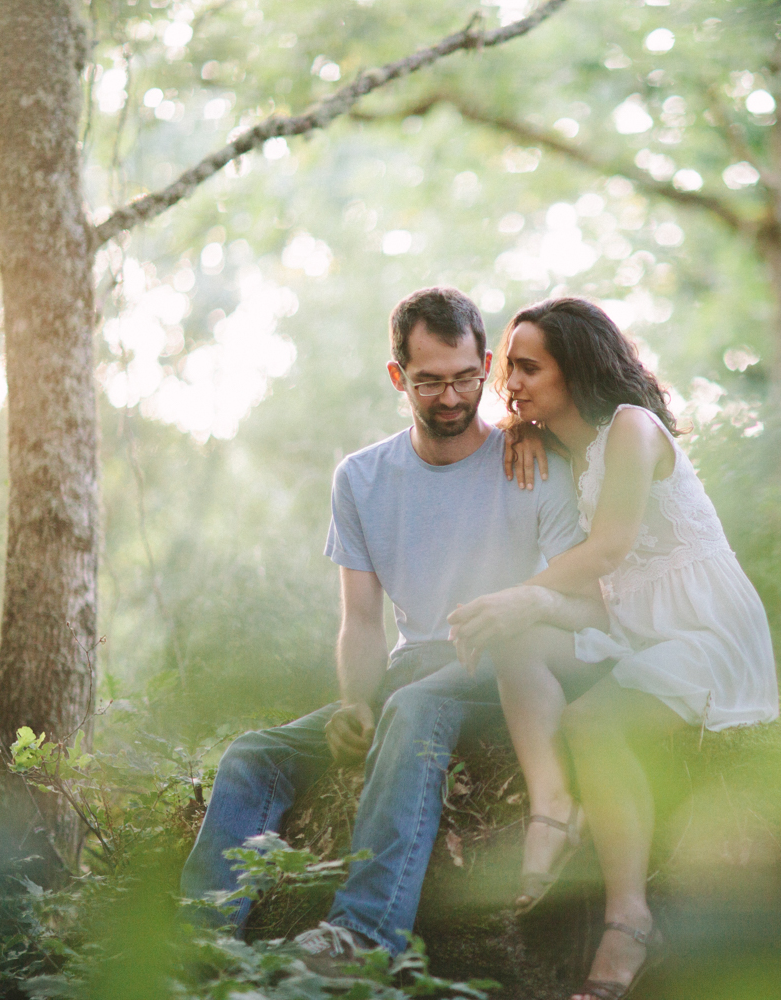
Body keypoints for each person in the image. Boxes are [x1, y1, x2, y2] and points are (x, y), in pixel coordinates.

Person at [179, 287, 608, 973]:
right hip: (419, 663)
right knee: (254, 753)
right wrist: (354, 700)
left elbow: (585, 601)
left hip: (515, 663)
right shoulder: (362, 479)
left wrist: (518, 607)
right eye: (430, 381)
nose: (450, 397)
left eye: (467, 378)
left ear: (488, 365)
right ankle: (194, 943)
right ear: (396, 377)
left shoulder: (531, 463)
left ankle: (364, 933)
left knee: (413, 705)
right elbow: (360, 621)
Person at [447, 298, 779, 1000]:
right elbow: (607, 587)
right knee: (521, 639)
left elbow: (610, 550)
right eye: (510, 367)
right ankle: (552, 808)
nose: (512, 381)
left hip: (705, 632)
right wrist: (517, 433)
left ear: (579, 367)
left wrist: (523, 593)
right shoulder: (580, 450)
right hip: (638, 626)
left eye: (529, 368)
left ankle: (629, 922)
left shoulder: (633, 428)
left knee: (593, 721)